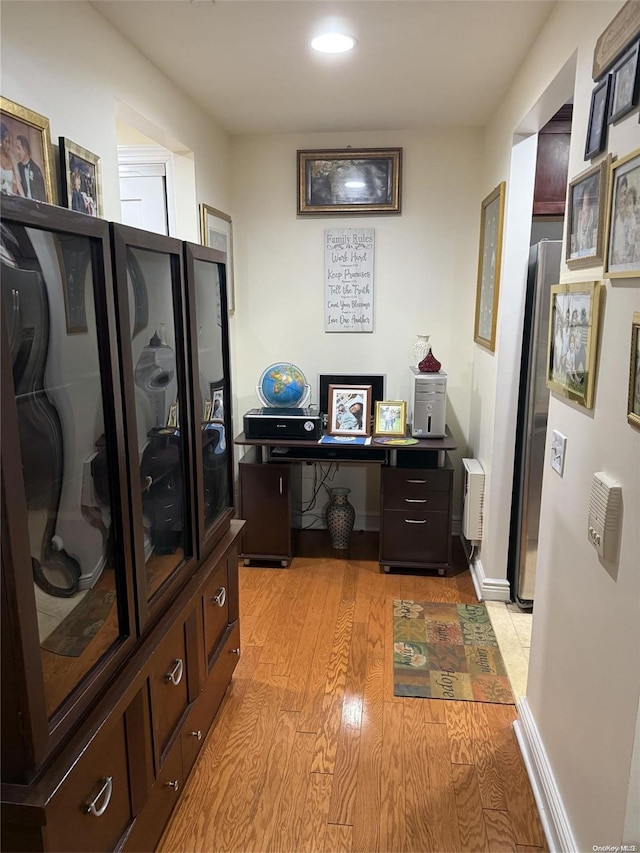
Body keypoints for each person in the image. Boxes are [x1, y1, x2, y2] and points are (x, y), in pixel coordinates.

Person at [14, 134, 46, 201]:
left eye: (18, 148)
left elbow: (42, 196)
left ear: (25, 149)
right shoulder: (17, 168)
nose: (17, 152)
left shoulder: (36, 170)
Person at [1, 123, 23, 196]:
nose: (8, 145)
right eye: (6, 141)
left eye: (9, 142)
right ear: (0, 141)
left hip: (10, 199)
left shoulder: (12, 159)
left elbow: (17, 183)